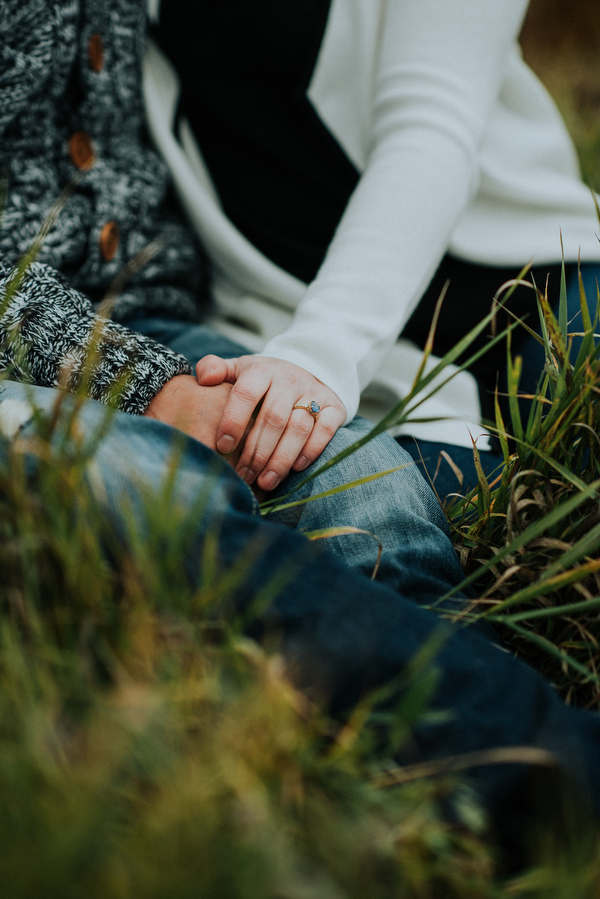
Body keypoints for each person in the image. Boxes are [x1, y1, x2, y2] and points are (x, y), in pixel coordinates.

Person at [1, 0, 600, 842]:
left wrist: (304, 361)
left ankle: (449, 755)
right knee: (155, 484)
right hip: (176, 337)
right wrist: (153, 387)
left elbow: (432, 121)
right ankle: (530, 771)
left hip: (509, 276)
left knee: (371, 488)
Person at [145, 0, 600, 494]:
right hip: (297, 328)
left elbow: (433, 119)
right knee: (444, 498)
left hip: (541, 280)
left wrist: (319, 354)